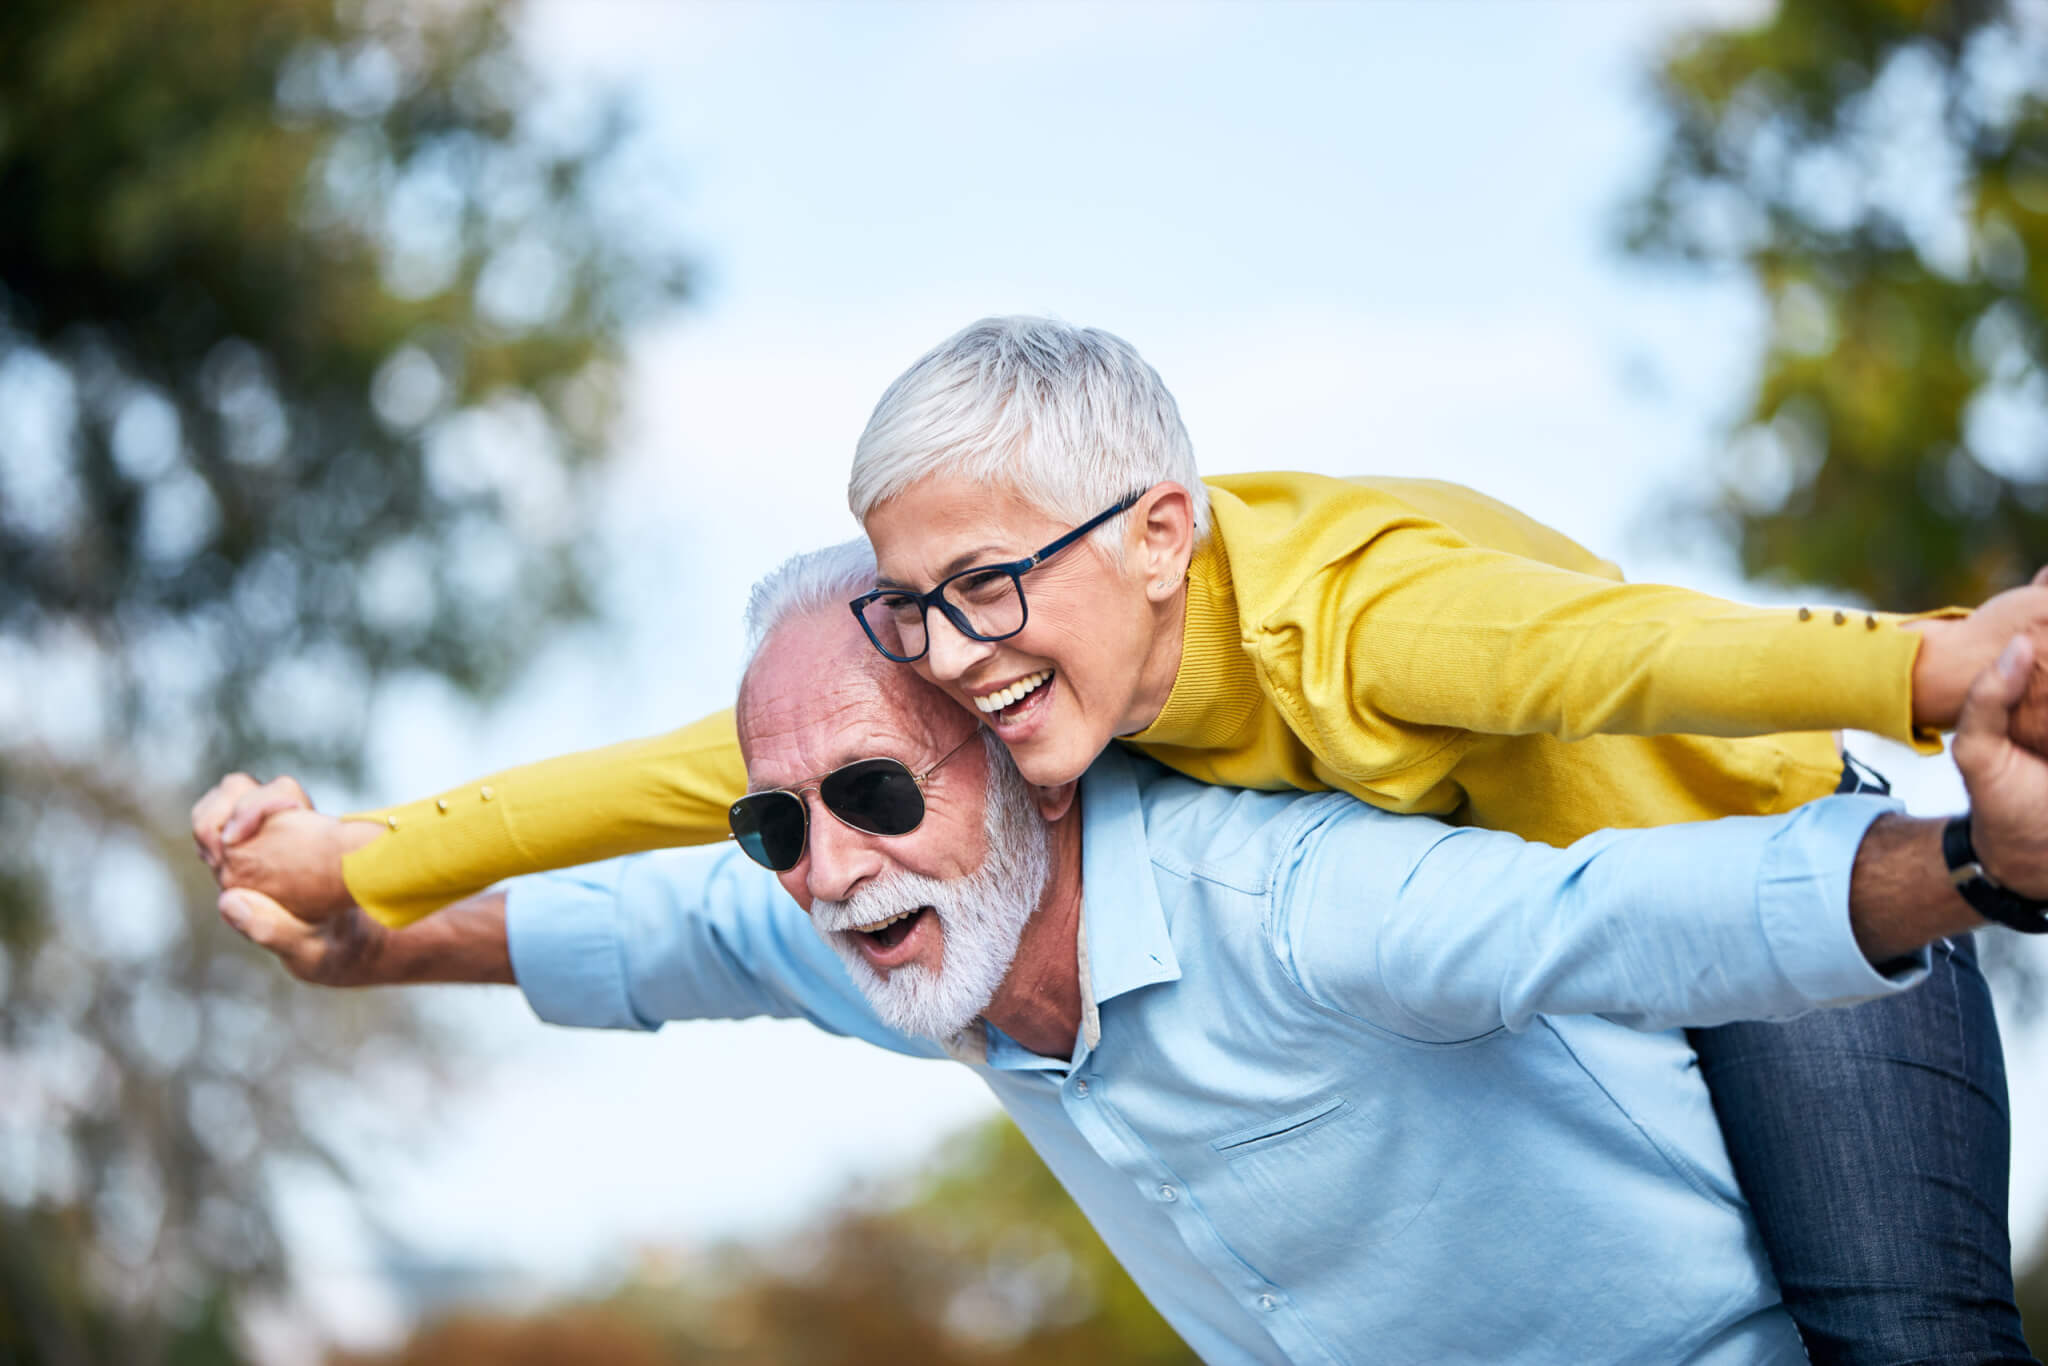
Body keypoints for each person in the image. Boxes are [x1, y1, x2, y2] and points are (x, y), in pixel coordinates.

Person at [205, 320, 2048, 1361]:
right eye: (917, 605)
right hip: (1609, 942)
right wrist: (365, 875)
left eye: (988, 585)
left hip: (1786, 890)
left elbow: (1629, 678)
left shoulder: (1348, 669)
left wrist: (1941, 677)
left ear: (1161, 531)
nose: (953, 645)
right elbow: (651, 838)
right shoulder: (918, 833)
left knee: (1905, 1336)